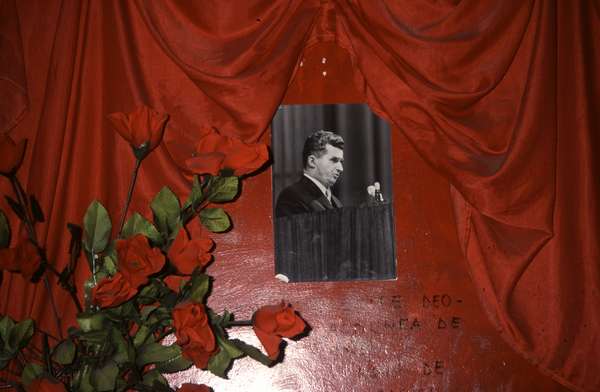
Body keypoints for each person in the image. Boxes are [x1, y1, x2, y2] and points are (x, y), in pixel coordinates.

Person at [275, 130, 344, 218]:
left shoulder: (337, 202)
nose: (341, 168)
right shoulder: (292, 197)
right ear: (312, 161)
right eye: (334, 160)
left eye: (341, 162)